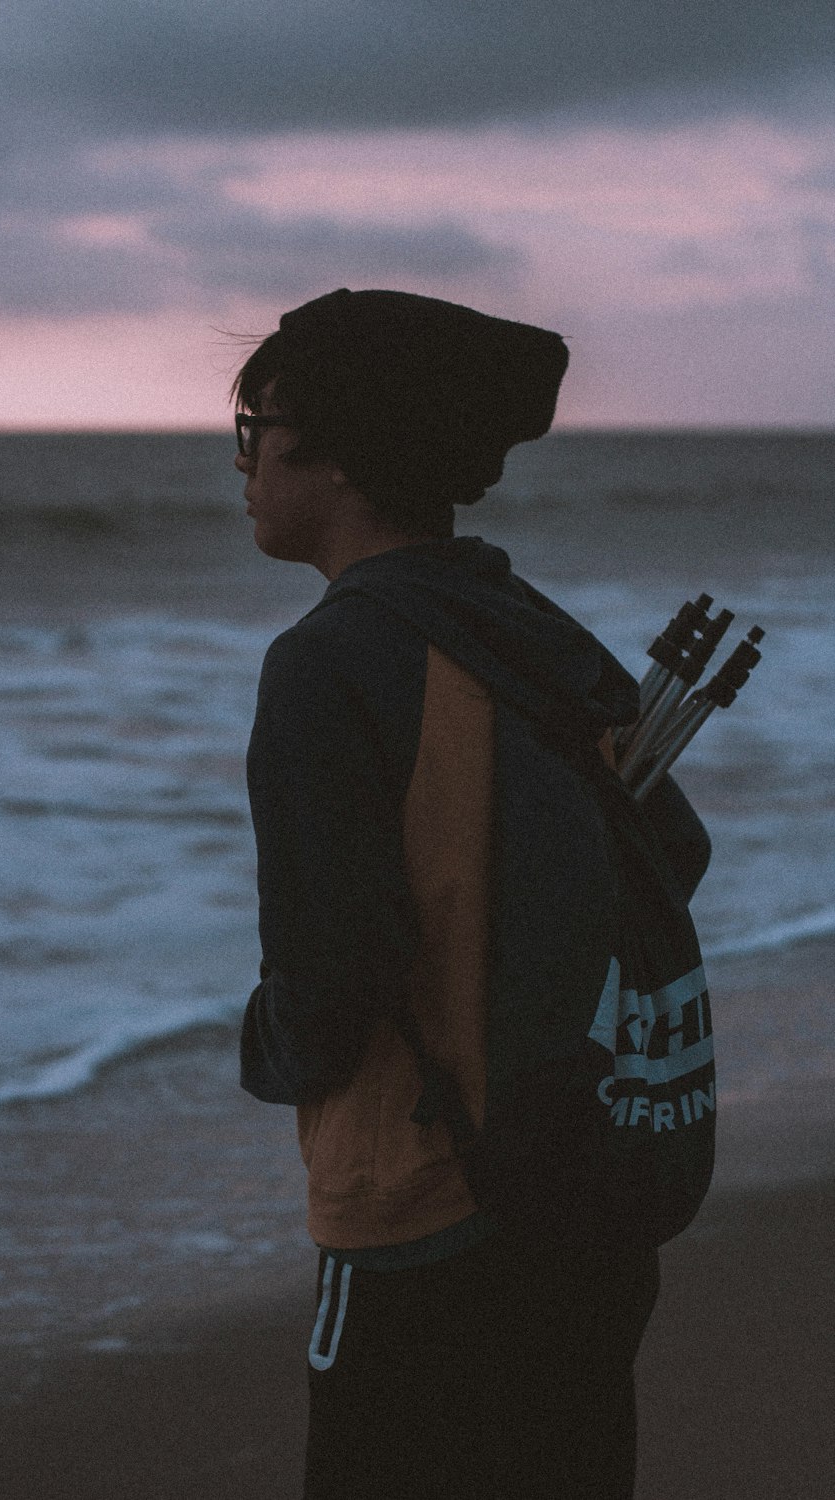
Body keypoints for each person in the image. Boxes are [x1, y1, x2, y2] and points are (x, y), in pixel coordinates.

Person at [232, 288, 712, 1498]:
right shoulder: (517, 622)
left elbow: (329, 979)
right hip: (580, 1175)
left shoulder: (327, 660)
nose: (240, 460)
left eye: (253, 427)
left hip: (423, 1205)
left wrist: (265, 1044)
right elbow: (674, 849)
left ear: (335, 457)